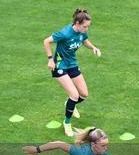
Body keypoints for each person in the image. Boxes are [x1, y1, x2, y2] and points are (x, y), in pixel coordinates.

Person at [43, 8, 102, 137]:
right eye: (85, 26)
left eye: (88, 27)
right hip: (60, 66)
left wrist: (93, 47)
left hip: (72, 64)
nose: (86, 29)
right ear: (77, 23)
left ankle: (69, 103)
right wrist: (50, 60)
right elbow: (46, 41)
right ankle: (67, 123)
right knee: (74, 95)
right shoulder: (65, 33)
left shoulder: (82, 32)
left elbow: (84, 40)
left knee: (84, 94)